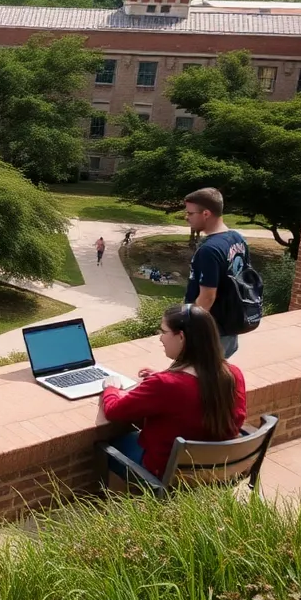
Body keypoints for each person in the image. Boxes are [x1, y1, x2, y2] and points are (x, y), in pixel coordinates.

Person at [101, 303, 247, 481]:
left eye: (164, 332)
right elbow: (197, 389)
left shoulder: (165, 385)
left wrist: (111, 387)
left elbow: (114, 411)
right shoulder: (233, 374)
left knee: (110, 449)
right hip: (216, 470)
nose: (160, 339)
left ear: (181, 337)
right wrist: (160, 377)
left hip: (168, 474)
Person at [183, 187, 249, 359]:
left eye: (190, 213)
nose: (186, 217)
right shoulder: (237, 238)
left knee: (200, 379)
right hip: (229, 326)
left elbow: (207, 297)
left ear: (206, 213)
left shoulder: (209, 250)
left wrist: (189, 327)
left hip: (210, 332)